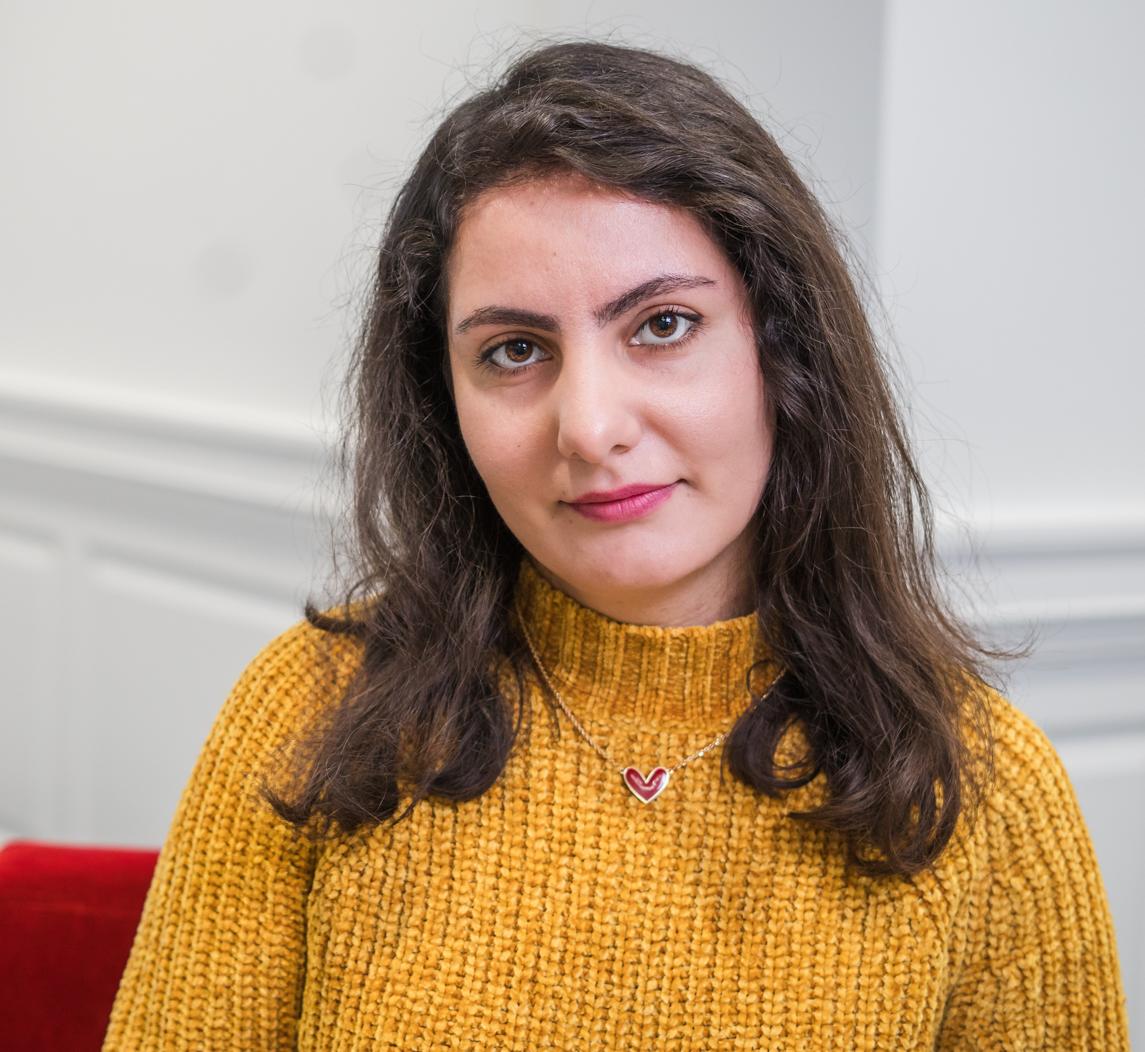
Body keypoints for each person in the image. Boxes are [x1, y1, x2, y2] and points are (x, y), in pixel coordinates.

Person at [103, 40, 1129, 1050]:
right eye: (513, 351)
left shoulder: (987, 791)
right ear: (442, 401)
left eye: (661, 325)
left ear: (782, 351)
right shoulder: (308, 710)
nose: (589, 427)